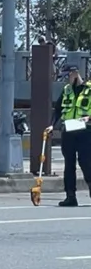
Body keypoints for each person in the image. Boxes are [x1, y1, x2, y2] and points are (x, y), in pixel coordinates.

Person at [53, 63, 91, 207]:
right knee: (69, 164)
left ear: (75, 73)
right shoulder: (67, 90)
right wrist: (52, 125)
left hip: (86, 131)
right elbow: (57, 110)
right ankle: (70, 196)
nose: (66, 80)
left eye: (67, 76)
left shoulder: (89, 89)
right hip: (69, 130)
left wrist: (89, 118)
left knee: (85, 162)